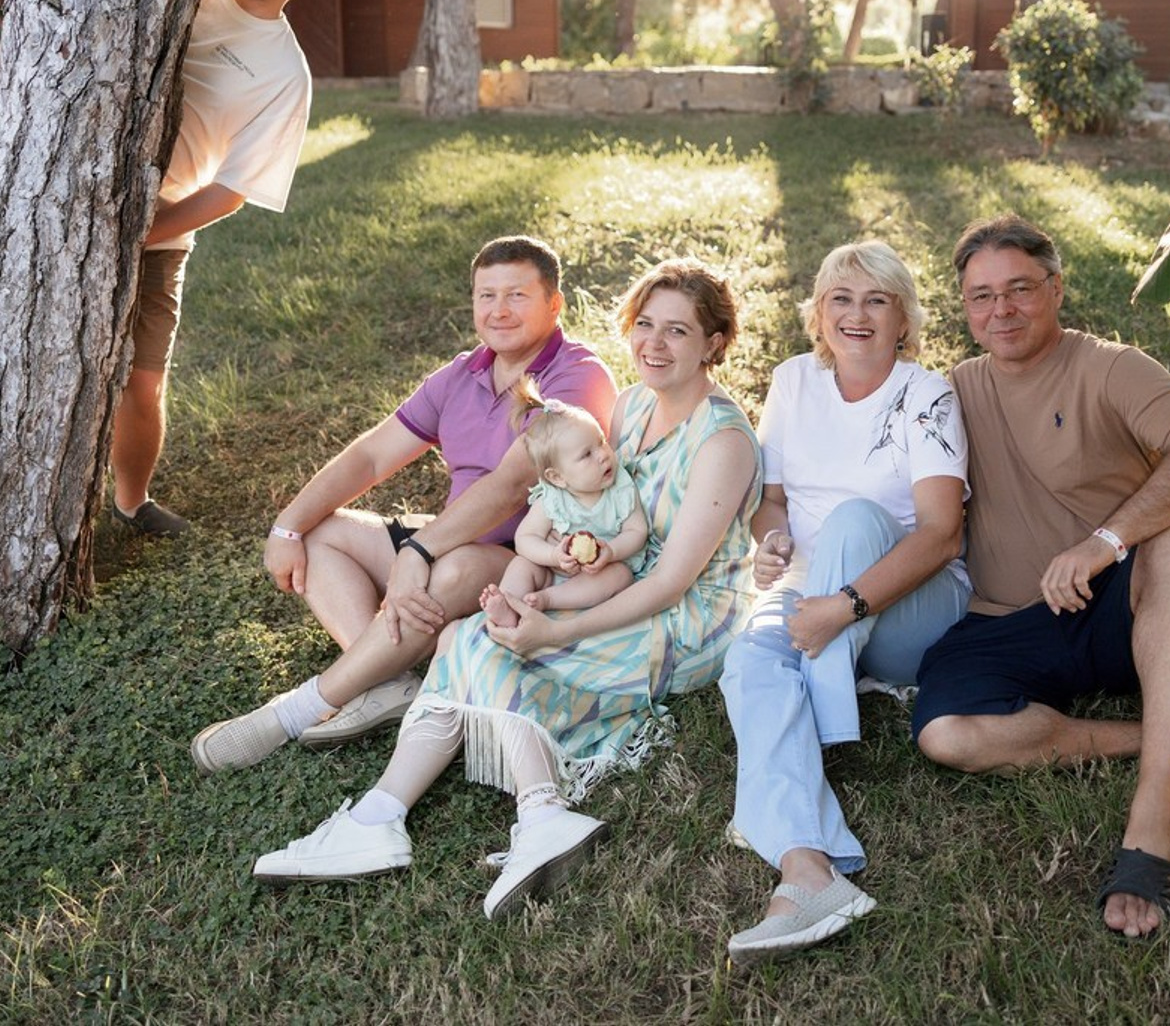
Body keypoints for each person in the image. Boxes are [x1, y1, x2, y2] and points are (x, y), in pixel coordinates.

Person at [249, 258, 762, 921]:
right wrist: (550, 564)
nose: (654, 344)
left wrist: (559, 626)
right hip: (606, 581)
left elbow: (671, 581)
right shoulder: (635, 406)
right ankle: (393, 818)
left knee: (488, 647)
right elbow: (584, 505)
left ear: (714, 343)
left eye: (678, 331)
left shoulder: (722, 440)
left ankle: (499, 814)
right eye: (645, 325)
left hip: (686, 617)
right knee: (463, 635)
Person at [912, 213, 1170, 939]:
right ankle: (1167, 732)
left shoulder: (1109, 365)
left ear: (1056, 289)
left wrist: (1105, 542)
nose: (1001, 309)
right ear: (965, 309)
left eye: (1020, 289)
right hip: (1003, 621)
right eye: (982, 296)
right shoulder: (950, 392)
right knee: (948, 738)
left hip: (1116, 603)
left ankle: (1152, 819)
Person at [14, 0, 333, 537]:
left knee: (142, 381)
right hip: (60, 189)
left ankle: (131, 503)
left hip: (159, 229)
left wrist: (136, 235)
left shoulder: (285, 75)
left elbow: (231, 190)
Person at [190, 236, 616, 773]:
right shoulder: (462, 373)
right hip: (448, 540)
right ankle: (385, 681)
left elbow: (511, 485)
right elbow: (371, 456)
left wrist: (418, 551)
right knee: (321, 534)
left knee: (454, 567)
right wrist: (288, 525)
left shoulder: (575, 374)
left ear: (555, 305)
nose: (499, 310)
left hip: (528, 557)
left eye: (517, 295)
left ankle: (297, 710)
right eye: (486, 296)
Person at [718, 241, 971, 964]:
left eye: (876, 300)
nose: (857, 315)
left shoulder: (926, 395)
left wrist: (843, 607)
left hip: (911, 608)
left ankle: (815, 722)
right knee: (748, 661)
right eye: (841, 298)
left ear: (903, 320)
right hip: (810, 595)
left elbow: (943, 535)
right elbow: (770, 503)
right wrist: (771, 541)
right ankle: (808, 872)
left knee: (856, 520)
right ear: (819, 313)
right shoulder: (793, 380)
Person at [478, 379, 649, 629]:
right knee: (521, 565)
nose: (603, 455)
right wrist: (553, 556)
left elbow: (637, 531)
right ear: (557, 477)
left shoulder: (620, 487)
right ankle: (508, 607)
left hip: (598, 573)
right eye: (587, 454)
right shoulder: (553, 498)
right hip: (552, 571)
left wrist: (611, 552)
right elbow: (525, 539)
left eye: (601, 441)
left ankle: (547, 600)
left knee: (620, 575)